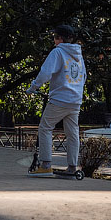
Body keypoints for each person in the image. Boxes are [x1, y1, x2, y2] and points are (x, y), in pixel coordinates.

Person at [27, 25, 86, 176]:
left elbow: (45, 73)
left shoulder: (58, 52)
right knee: (72, 133)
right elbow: (84, 76)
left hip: (60, 99)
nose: (54, 41)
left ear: (60, 38)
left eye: (55, 37)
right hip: (75, 100)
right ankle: (72, 167)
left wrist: (34, 87)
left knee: (45, 128)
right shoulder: (79, 55)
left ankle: (46, 165)